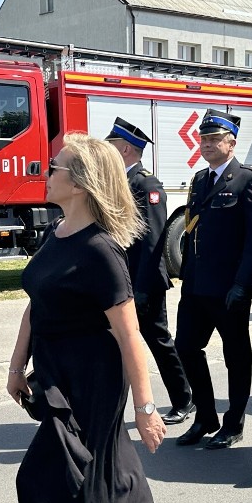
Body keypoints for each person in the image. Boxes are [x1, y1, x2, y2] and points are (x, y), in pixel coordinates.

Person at [3, 132, 167, 503]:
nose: (46, 171)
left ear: (78, 183)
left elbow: (130, 336)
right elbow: (36, 304)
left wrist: (146, 407)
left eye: (54, 165)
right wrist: (17, 365)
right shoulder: (56, 233)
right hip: (54, 374)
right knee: (105, 469)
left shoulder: (101, 251)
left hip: (93, 381)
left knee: (45, 480)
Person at [175, 109, 252, 449]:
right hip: (196, 285)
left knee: (236, 356)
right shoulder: (200, 179)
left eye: (215, 139)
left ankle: (234, 423)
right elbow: (193, 232)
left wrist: (243, 283)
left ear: (232, 143)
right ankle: (205, 416)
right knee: (186, 347)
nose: (207, 144)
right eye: (203, 139)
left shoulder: (248, 179)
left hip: (229, 287)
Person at [104, 117, 193, 425]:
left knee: (158, 341)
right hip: (120, 279)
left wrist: (142, 287)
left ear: (126, 149)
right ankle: (109, 407)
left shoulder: (146, 184)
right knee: (114, 343)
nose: (108, 151)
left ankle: (184, 399)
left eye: (112, 146)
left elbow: (152, 241)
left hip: (143, 281)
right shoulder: (119, 182)